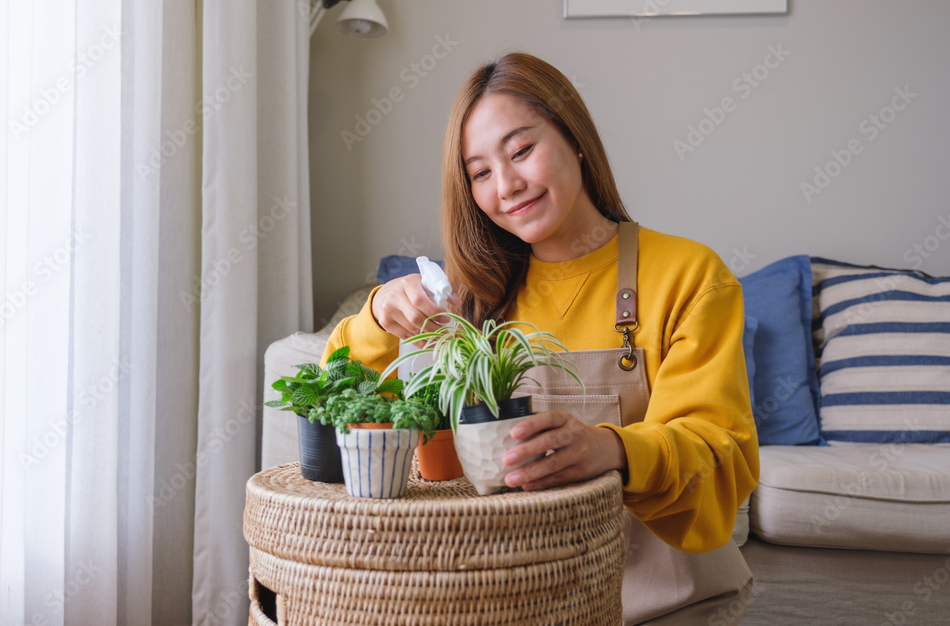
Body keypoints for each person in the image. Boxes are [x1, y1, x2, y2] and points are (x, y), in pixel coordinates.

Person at [321, 52, 760, 624]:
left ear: (574, 138)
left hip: (668, 602)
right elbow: (338, 411)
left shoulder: (689, 275)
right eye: (479, 172)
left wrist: (613, 450)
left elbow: (718, 455)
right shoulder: (470, 302)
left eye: (522, 150)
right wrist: (377, 318)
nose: (506, 186)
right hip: (515, 605)